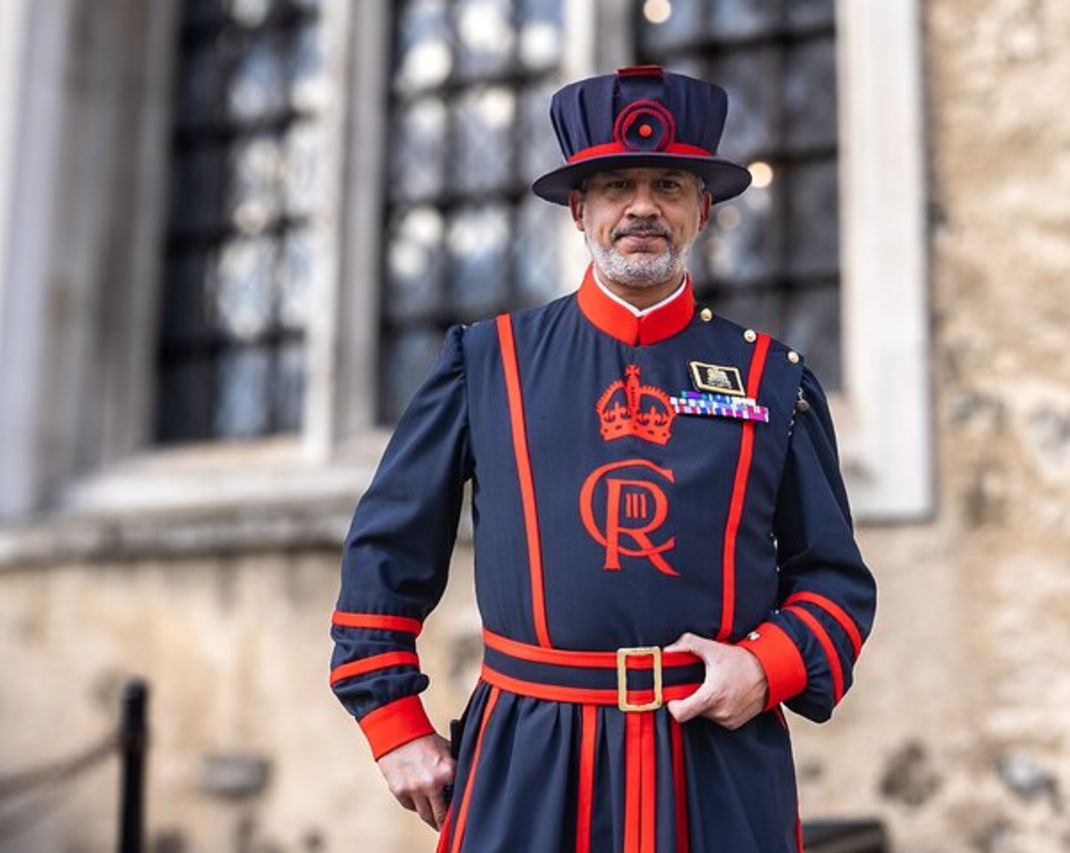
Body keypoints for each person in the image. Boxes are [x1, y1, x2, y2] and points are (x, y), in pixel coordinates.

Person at [328, 65, 877, 853]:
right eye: (617, 185)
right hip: (529, 758)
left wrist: (765, 667)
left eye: (668, 185)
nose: (643, 206)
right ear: (580, 209)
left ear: (702, 210)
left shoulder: (772, 379)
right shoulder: (488, 364)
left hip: (716, 764)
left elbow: (834, 578)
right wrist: (394, 723)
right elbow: (386, 553)